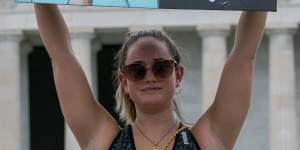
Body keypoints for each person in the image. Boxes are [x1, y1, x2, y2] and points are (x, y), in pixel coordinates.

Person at [34, 3, 267, 150]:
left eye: (161, 67)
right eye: (137, 70)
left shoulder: (209, 138)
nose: (150, 77)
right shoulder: (102, 139)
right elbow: (61, 56)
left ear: (178, 75)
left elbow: (243, 56)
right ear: (124, 81)